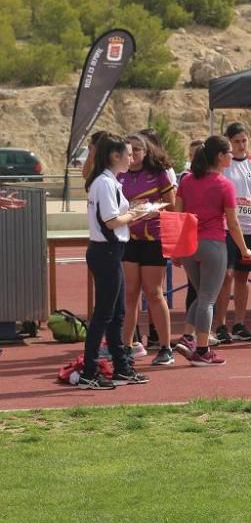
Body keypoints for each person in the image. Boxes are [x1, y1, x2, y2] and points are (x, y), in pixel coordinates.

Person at [174, 136, 251, 366]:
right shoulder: (224, 184)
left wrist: (177, 250)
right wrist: (244, 248)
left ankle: (188, 337)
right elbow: (233, 222)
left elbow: (179, 217)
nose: (231, 156)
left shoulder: (186, 181)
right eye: (228, 152)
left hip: (190, 245)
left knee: (201, 296)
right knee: (208, 299)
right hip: (213, 244)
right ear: (219, 156)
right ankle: (202, 349)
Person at [80, 135, 150, 389]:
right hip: (105, 251)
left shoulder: (110, 182)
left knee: (117, 313)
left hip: (112, 250)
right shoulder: (104, 183)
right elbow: (111, 221)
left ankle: (121, 367)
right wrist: (136, 213)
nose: (132, 159)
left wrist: (134, 210)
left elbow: (113, 216)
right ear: (115, 156)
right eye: (128, 154)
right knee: (104, 314)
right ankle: (89, 371)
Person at [120, 134, 176, 366]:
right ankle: (127, 347)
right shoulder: (118, 175)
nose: (133, 155)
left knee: (154, 292)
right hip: (128, 239)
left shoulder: (159, 173)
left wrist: (155, 210)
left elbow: (172, 205)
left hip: (153, 238)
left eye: (138, 150)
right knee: (130, 293)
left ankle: (165, 347)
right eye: (129, 151)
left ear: (146, 151)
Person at [214, 123, 251, 344]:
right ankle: (220, 325)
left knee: (243, 278)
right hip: (227, 228)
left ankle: (239, 323)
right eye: (236, 141)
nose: (241, 145)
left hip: (250, 228)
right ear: (228, 142)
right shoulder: (223, 165)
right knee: (225, 277)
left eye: (244, 140)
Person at [180, 139, 203, 315]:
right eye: (192, 155)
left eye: (198, 154)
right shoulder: (185, 178)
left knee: (209, 287)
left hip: (212, 237)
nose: (195, 158)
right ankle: (192, 331)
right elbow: (179, 213)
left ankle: (207, 328)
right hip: (192, 238)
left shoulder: (218, 177)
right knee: (194, 286)